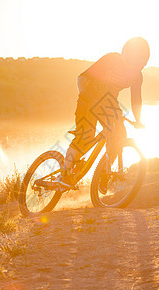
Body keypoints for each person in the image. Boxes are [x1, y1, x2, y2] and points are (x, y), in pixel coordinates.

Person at [59, 37, 149, 192]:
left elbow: (136, 100)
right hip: (88, 98)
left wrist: (138, 120)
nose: (137, 63)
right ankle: (64, 173)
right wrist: (84, 95)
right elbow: (83, 76)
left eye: (142, 59)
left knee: (119, 135)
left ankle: (104, 175)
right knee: (85, 136)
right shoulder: (112, 59)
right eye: (136, 58)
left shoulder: (137, 76)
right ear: (127, 54)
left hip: (108, 103)